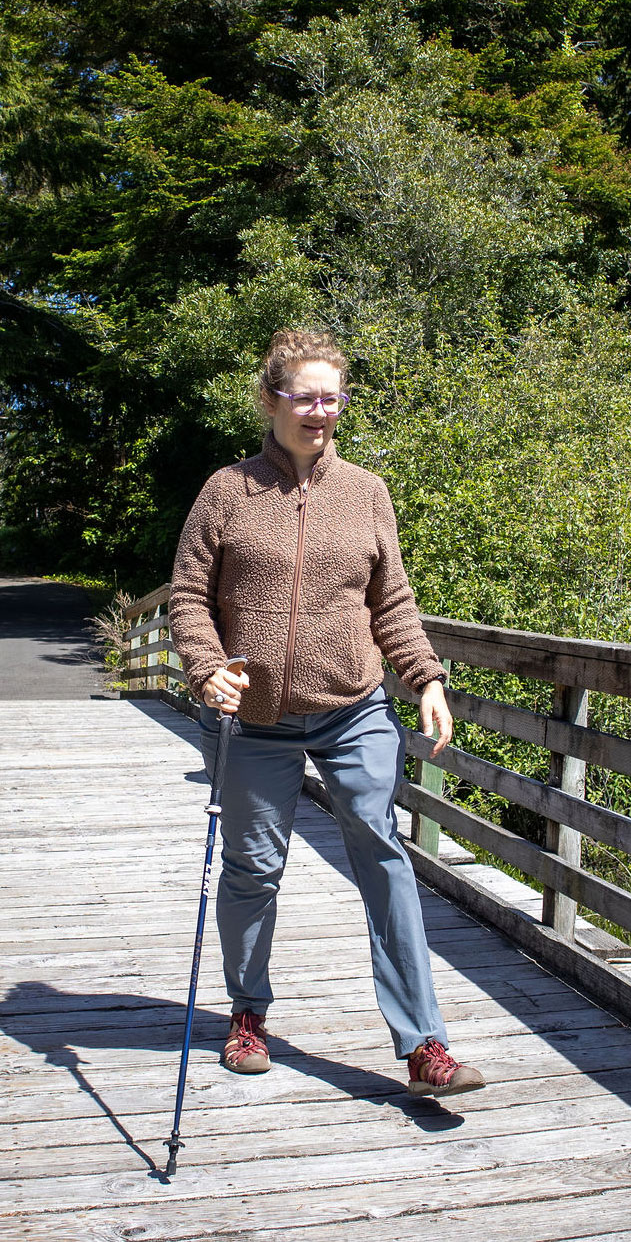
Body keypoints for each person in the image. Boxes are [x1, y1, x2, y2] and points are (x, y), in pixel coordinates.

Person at [168, 328, 485, 1097]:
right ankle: (248, 1012)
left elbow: (393, 603)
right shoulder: (227, 491)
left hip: (352, 708)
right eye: (305, 395)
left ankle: (424, 1043)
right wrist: (208, 669)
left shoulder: (367, 492)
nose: (320, 410)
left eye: (331, 396)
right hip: (256, 721)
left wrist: (428, 679)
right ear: (270, 398)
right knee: (253, 868)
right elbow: (186, 598)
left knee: (383, 853)